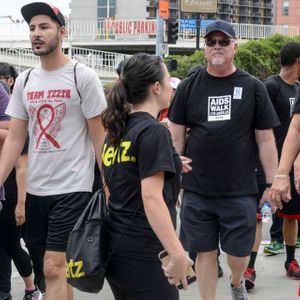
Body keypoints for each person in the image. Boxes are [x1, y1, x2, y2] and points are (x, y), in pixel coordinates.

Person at [0, 2, 106, 299]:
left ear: (62, 32)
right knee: (54, 272)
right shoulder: (25, 81)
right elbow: (14, 139)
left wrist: (110, 185)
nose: (36, 33)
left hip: (74, 187)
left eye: (44, 27)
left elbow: (100, 138)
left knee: (53, 267)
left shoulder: (82, 76)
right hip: (36, 190)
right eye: (32, 28)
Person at [168, 20, 279, 300]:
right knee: (204, 251)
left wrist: (272, 181)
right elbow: (176, 136)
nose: (217, 47)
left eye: (223, 42)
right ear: (206, 48)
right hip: (197, 188)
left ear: (234, 47)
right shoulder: (188, 87)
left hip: (240, 188)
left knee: (238, 253)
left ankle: (236, 280)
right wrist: (174, 178)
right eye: (211, 42)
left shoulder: (253, 87)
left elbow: (265, 138)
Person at [101, 53, 193, 300]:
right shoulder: (153, 131)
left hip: (115, 247)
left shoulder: (117, 130)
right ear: (156, 88)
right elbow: (151, 198)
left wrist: (170, 162)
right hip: (144, 250)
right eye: (167, 80)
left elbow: (121, 180)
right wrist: (177, 253)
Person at [263, 42, 300, 279]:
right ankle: (249, 265)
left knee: (292, 215)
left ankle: (290, 260)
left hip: (295, 163)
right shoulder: (271, 86)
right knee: (268, 213)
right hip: (276, 160)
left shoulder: (297, 87)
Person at [0, 83, 39, 300]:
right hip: (6, 191)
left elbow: (22, 168)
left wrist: (21, 204)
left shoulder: (18, 133)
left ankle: (31, 289)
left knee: (13, 246)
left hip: (13, 194)